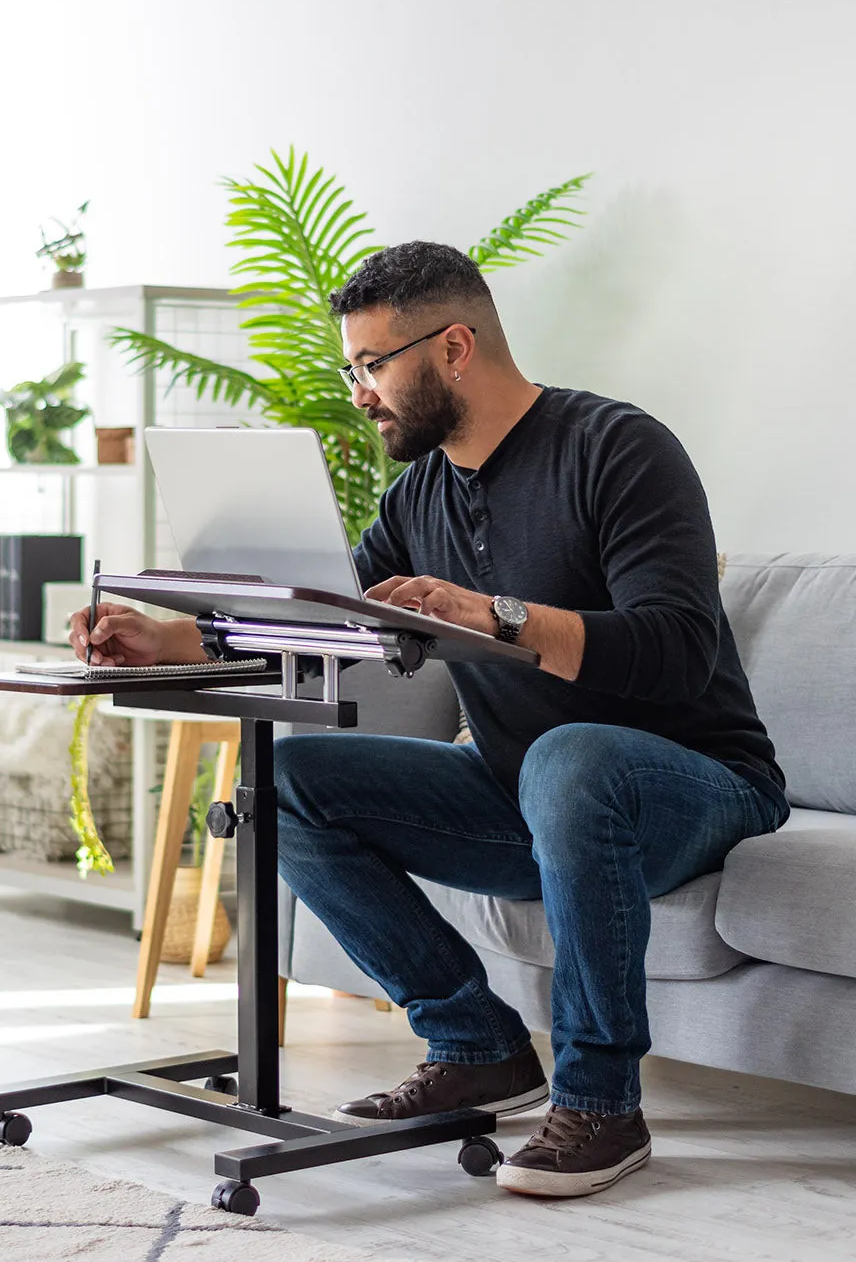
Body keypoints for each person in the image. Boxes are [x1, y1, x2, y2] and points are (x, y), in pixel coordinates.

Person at [68, 241, 788, 1198]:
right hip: (523, 796)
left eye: (372, 365)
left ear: (454, 347)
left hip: (692, 788)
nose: (359, 392)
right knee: (282, 785)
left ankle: (603, 1104)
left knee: (572, 760)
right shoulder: (417, 496)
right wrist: (170, 640)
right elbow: (322, 619)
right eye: (350, 368)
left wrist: (499, 617)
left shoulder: (618, 448)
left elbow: (676, 648)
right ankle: (477, 1046)